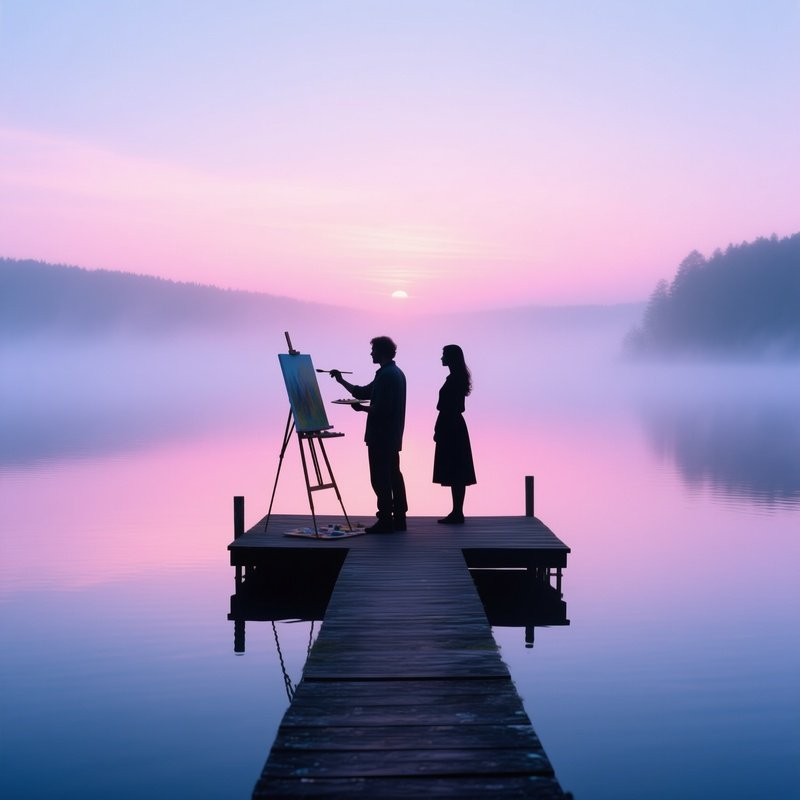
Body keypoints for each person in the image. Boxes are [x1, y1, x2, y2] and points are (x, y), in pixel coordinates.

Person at [330, 336, 407, 533]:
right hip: (392, 435)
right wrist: (341, 380)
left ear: (380, 351)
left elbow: (381, 409)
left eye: (373, 350)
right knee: (393, 475)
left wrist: (361, 409)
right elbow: (363, 392)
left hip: (381, 436)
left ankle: (385, 520)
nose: (370, 354)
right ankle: (398, 517)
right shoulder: (393, 373)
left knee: (380, 477)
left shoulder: (387, 376)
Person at [433, 344, 476, 524]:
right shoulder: (456, 377)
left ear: (451, 358)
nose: (441, 358)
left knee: (456, 469)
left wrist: (439, 428)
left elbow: (449, 407)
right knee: (456, 469)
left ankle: (457, 512)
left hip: (451, 426)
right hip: (453, 425)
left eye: (444, 355)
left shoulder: (454, 379)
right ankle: (457, 511)